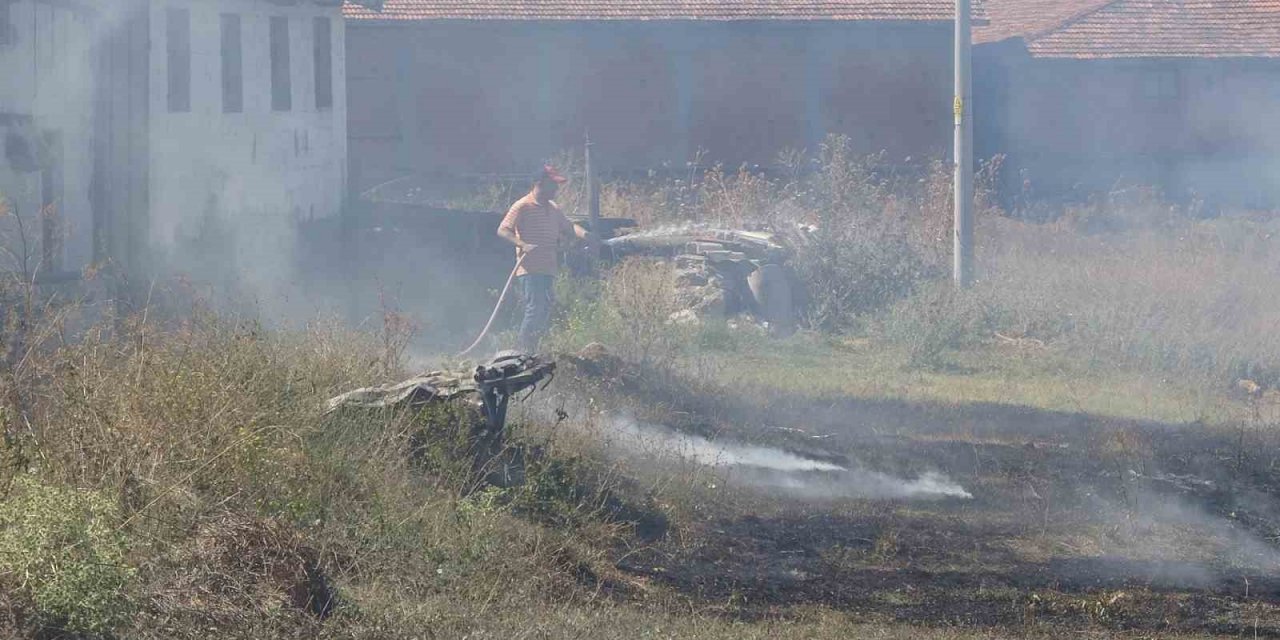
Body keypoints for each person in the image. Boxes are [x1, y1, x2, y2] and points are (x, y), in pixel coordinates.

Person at [497, 165, 592, 354]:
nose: (557, 189)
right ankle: (522, 351)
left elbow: (569, 226)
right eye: (553, 185)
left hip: (548, 268)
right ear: (539, 183)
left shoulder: (553, 208)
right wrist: (522, 244)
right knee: (535, 308)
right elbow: (503, 230)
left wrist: (586, 235)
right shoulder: (522, 205)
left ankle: (534, 350)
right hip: (530, 268)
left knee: (544, 309)